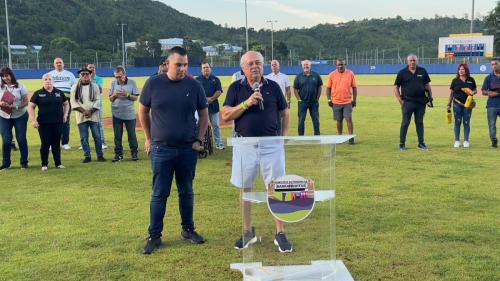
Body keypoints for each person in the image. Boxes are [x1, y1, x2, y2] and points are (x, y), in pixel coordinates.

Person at [139, 46, 209, 254]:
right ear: (167, 64)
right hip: (162, 150)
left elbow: (204, 115)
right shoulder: (153, 84)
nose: (182, 68)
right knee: (159, 194)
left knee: (186, 191)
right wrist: (149, 139)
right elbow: (143, 112)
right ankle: (154, 236)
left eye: (185, 64)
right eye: (178, 64)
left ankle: (188, 230)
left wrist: (198, 139)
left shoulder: (194, 85)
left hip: (188, 149)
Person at [221, 51, 292, 253]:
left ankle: (280, 233)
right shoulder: (236, 87)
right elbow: (226, 115)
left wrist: (283, 137)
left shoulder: (273, 86)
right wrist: (246, 103)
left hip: (272, 145)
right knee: (246, 187)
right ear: (243, 68)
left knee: (277, 188)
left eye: (258, 63)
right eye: (250, 64)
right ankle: (247, 232)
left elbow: (285, 112)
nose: (255, 67)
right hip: (245, 145)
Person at [28, 74, 70, 171]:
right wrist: (33, 120)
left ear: (53, 81)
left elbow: (66, 104)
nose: (48, 81)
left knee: (56, 143)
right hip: (43, 123)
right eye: (46, 79)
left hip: (58, 122)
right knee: (45, 143)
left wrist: (65, 115)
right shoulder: (38, 93)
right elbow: (31, 107)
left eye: (50, 79)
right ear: (43, 81)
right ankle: (44, 164)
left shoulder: (59, 93)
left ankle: (58, 163)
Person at [394, 54, 433, 151]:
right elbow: (396, 87)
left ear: (417, 61)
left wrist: (430, 97)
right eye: (410, 60)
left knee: (419, 123)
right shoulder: (402, 72)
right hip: (407, 101)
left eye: (414, 60)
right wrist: (400, 100)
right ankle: (402, 144)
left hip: (420, 102)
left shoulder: (422, 71)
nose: (412, 62)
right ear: (407, 61)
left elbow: (427, 85)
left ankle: (421, 143)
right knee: (405, 123)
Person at [70, 66, 105, 163]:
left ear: (90, 75)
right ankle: (87, 156)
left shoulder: (95, 86)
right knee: (84, 138)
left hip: (93, 115)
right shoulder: (74, 87)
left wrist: (91, 111)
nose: (85, 75)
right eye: (82, 74)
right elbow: (73, 101)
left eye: (87, 74)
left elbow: (98, 100)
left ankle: (100, 155)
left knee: (97, 137)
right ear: (79, 75)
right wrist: (84, 111)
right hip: (81, 116)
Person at [0, 67, 29, 170]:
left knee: (21, 138)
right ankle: (6, 163)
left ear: (11, 75)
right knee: (6, 140)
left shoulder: (20, 86)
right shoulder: (0, 87)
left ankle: (24, 162)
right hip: (4, 116)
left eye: (7, 75)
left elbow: (26, 101)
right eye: (3, 76)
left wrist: (15, 106)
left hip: (19, 115)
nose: (5, 78)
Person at [109, 66, 139, 162]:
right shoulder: (113, 83)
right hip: (116, 113)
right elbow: (110, 99)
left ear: (124, 74)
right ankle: (118, 154)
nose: (118, 79)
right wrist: (115, 95)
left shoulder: (132, 83)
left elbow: (136, 98)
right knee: (117, 136)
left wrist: (126, 94)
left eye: (120, 76)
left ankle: (134, 153)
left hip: (129, 113)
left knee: (132, 135)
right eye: (116, 77)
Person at [47, 58, 76, 150]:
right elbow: (46, 87)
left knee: (65, 121)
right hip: (53, 100)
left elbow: (74, 87)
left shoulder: (69, 74)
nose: (59, 64)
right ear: (54, 64)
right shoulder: (50, 75)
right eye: (57, 63)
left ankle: (65, 143)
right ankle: (53, 143)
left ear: (63, 64)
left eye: (60, 62)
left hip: (66, 101)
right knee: (53, 122)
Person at [326, 59, 358, 144]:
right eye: (338, 65)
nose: (340, 66)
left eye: (341, 64)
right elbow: (328, 88)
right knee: (339, 120)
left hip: (347, 101)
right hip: (336, 102)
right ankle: (340, 137)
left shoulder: (350, 74)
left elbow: (354, 88)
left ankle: (351, 137)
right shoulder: (332, 75)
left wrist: (354, 100)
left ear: (345, 64)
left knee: (349, 119)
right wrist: (329, 99)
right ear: (336, 65)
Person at [196, 63, 224, 149]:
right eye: (204, 68)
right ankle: (203, 143)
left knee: (216, 125)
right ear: (201, 70)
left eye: (207, 67)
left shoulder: (216, 79)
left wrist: (211, 99)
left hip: (214, 107)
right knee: (201, 126)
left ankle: (219, 143)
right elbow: (196, 93)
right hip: (201, 107)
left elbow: (219, 91)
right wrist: (204, 99)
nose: (206, 69)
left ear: (210, 69)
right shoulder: (197, 80)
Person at [447, 64, 476, 148]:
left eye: (462, 69)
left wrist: (472, 92)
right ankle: (457, 141)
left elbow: (475, 90)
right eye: (459, 69)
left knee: (466, 122)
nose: (461, 71)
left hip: (468, 104)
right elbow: (451, 93)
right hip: (457, 104)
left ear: (466, 70)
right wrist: (449, 104)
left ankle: (466, 141)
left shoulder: (471, 80)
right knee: (457, 122)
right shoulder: (455, 80)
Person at [293, 60, 323, 135]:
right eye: (304, 65)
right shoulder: (298, 77)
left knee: (315, 119)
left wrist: (317, 98)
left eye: (307, 65)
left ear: (310, 66)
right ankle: (301, 136)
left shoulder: (316, 75)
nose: (306, 66)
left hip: (314, 102)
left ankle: (317, 135)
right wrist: (299, 99)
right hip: (302, 102)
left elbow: (319, 87)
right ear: (302, 66)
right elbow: (295, 89)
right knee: (301, 120)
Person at [265, 59, 291, 135]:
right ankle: (270, 135)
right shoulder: (267, 77)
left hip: (281, 102)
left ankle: (279, 135)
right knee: (270, 120)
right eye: (272, 65)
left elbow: (288, 90)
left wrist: (288, 101)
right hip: (271, 103)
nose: (273, 66)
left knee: (280, 121)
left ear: (279, 66)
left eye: (275, 65)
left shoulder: (284, 77)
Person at [481, 57, 500, 148]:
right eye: (492, 64)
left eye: (495, 64)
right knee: (492, 125)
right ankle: (494, 141)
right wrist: (492, 93)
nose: (494, 66)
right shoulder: (488, 77)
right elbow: (483, 91)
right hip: (492, 105)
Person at [88, 63, 107, 149]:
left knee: (99, 123)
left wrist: (92, 79)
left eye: (93, 67)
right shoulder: (83, 79)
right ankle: (85, 143)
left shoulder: (99, 78)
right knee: (85, 123)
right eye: (90, 68)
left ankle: (102, 142)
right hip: (86, 103)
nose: (91, 69)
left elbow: (100, 90)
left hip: (97, 103)